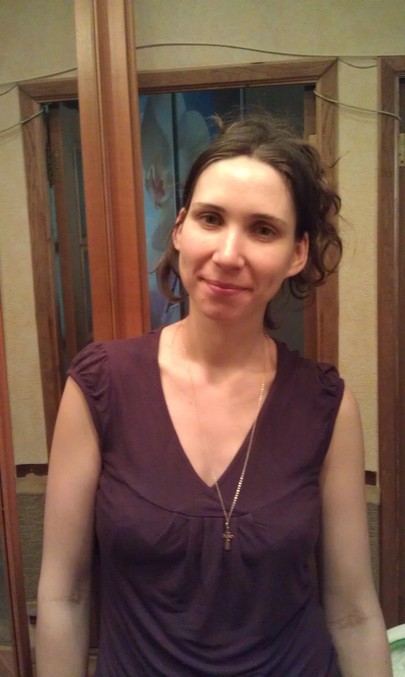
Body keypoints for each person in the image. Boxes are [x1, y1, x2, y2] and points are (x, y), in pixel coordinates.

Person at [36, 114, 392, 677]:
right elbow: (65, 595)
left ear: (297, 254)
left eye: (263, 230)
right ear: (180, 229)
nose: (228, 253)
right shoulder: (100, 384)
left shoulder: (326, 405)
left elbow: (353, 614)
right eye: (211, 218)